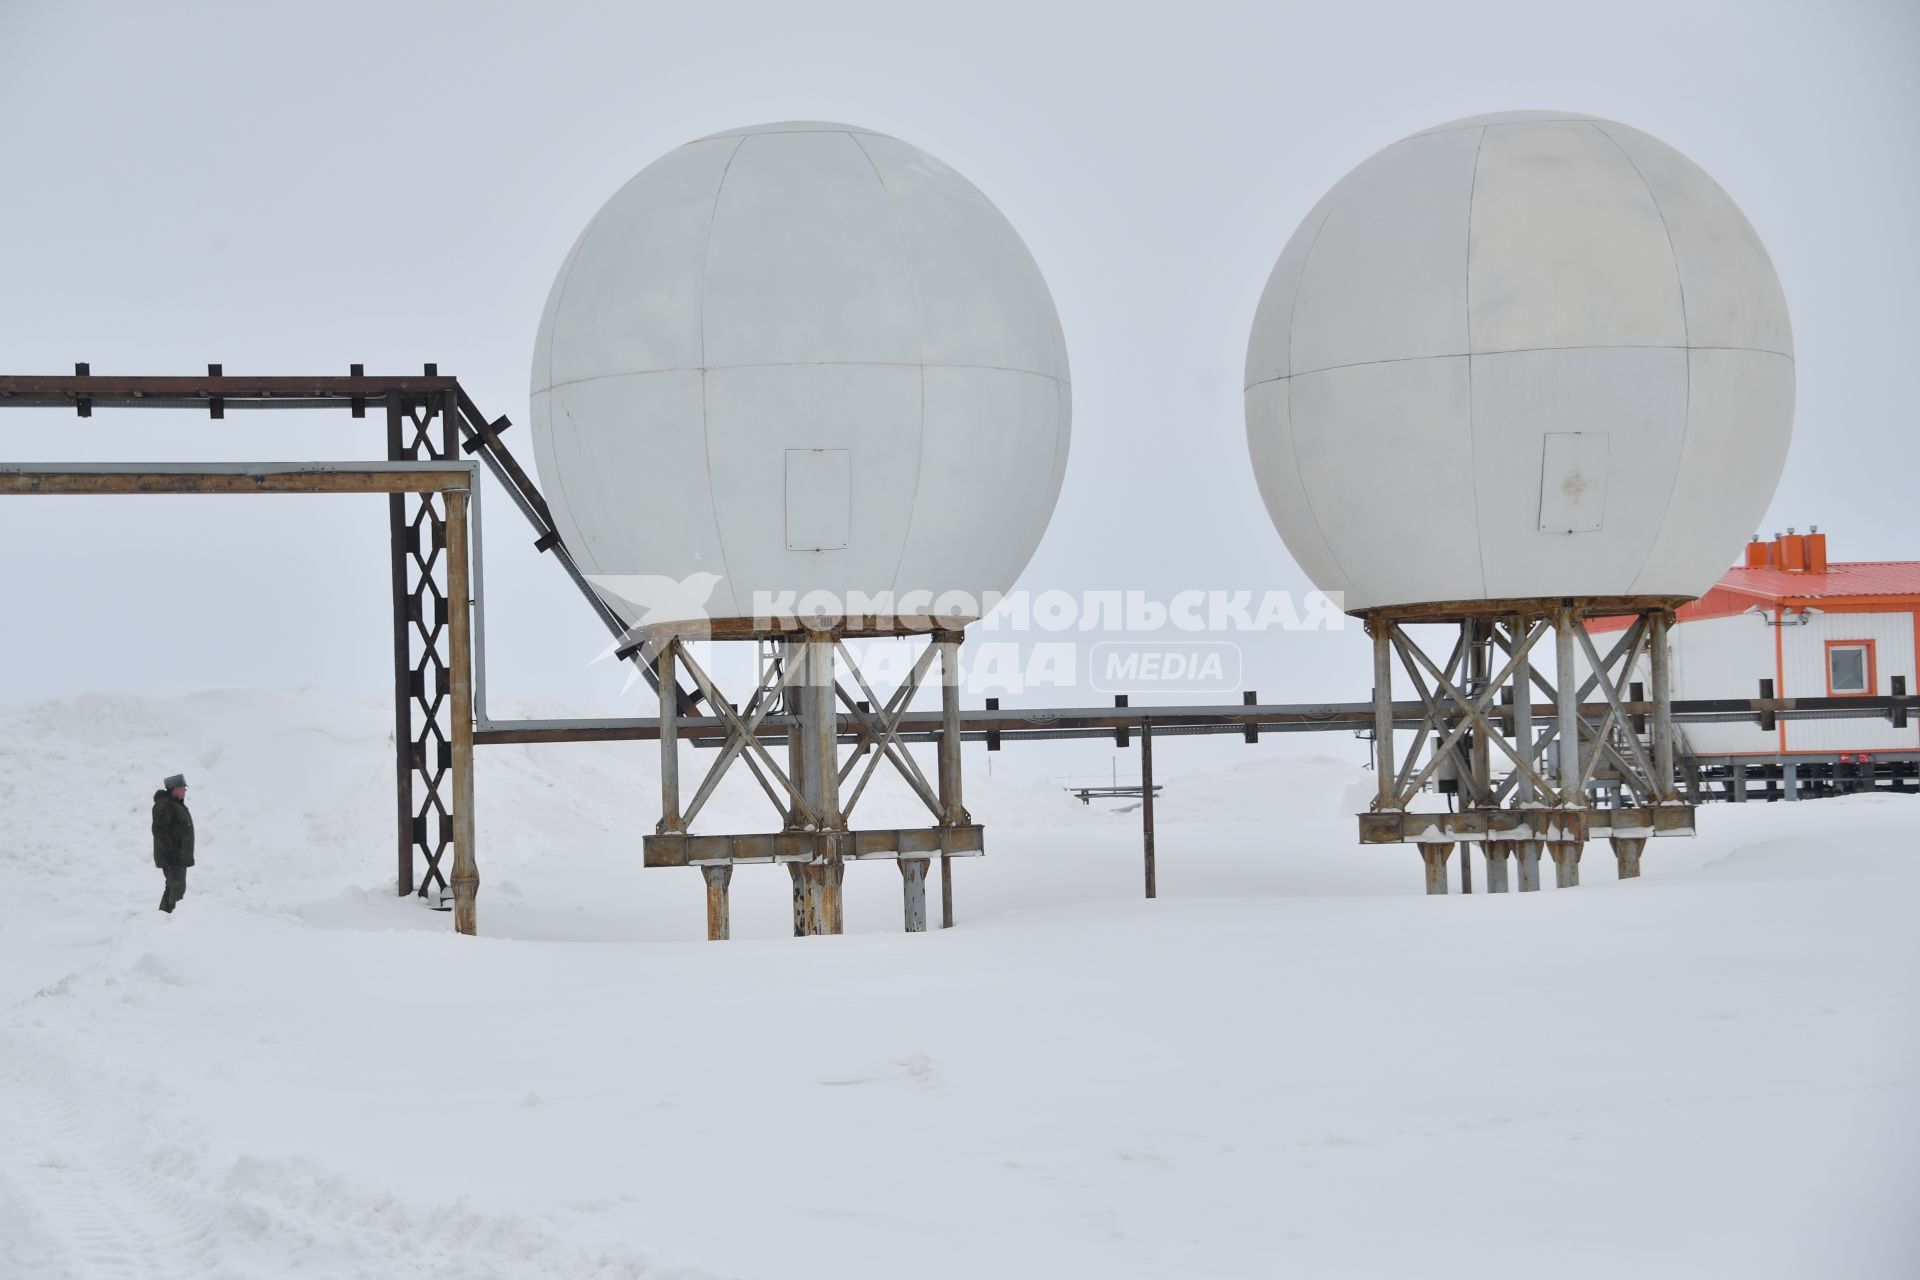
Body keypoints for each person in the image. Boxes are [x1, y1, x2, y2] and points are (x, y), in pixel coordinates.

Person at [152, 773, 194, 913]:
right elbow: (159, 830)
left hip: (178, 855)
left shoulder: (175, 804)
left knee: (174, 886)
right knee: (177, 886)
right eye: (183, 788)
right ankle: (169, 915)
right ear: (175, 789)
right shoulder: (165, 805)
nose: (185, 791)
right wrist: (169, 851)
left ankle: (165, 915)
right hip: (172, 856)